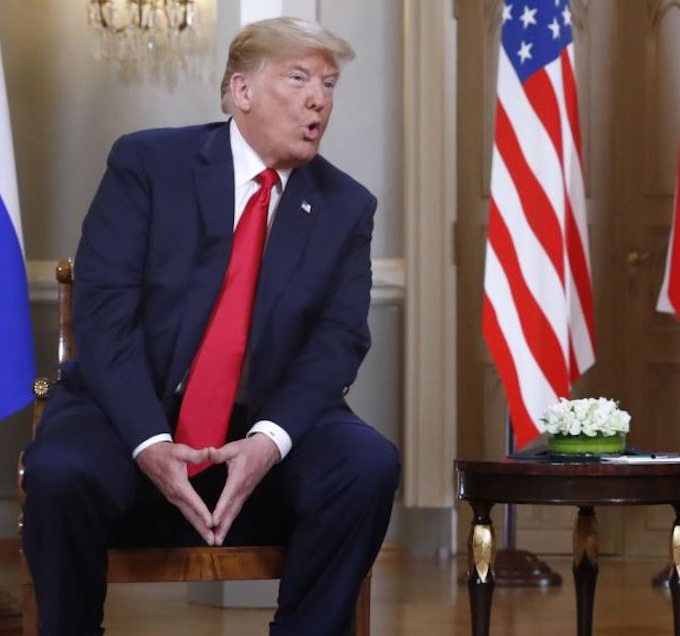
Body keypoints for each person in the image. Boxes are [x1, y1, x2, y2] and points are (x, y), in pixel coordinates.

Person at [21, 17, 399, 635]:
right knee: (61, 473)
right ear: (242, 91)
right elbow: (104, 316)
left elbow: (338, 343)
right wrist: (150, 440)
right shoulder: (147, 163)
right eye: (298, 78)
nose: (318, 100)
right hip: (131, 417)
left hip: (262, 426)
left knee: (367, 465)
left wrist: (270, 439)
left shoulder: (345, 205)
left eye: (329, 85)